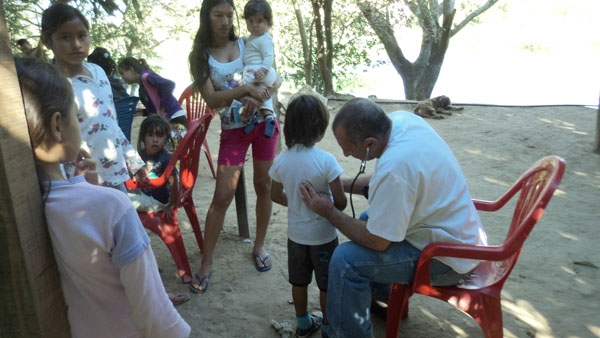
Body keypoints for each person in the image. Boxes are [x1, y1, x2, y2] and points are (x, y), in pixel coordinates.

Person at [14, 56, 191, 338]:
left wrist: (88, 186)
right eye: (77, 115)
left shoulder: (24, 207)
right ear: (58, 125)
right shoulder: (113, 207)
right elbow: (156, 317)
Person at [299, 98, 488, 338]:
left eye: (348, 148)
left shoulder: (396, 167)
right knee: (368, 218)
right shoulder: (402, 121)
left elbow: (378, 241)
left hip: (448, 261)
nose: (345, 153)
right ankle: (365, 298)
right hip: (453, 233)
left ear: (370, 144)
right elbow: (384, 182)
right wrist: (340, 185)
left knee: (345, 261)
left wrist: (328, 211)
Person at [187, 0, 278, 293]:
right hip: (233, 131)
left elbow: (273, 74)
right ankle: (206, 262)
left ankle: (260, 245)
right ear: (207, 16)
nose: (226, 21)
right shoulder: (200, 55)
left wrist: (256, 96)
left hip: (264, 124)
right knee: (222, 196)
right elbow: (212, 100)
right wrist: (244, 91)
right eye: (219, 15)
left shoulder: (248, 40)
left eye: (229, 15)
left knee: (263, 185)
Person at [41, 3, 148, 192]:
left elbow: (110, 123)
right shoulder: (53, 86)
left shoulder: (98, 72)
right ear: (48, 41)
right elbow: (53, 141)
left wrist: (133, 160)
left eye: (81, 35)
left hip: (114, 173)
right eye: (65, 37)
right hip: (82, 180)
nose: (76, 44)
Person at [269, 95, 347, 338]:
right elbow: (341, 203)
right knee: (326, 285)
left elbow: (274, 195)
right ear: (320, 130)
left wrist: (295, 202)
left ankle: (303, 325)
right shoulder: (327, 161)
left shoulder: (282, 160)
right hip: (324, 236)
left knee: (299, 282)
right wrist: (323, 205)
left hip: (296, 237)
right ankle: (326, 327)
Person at [118, 56, 188, 149]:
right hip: (168, 121)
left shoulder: (146, 77)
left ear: (131, 69)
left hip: (175, 119)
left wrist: (162, 108)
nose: (122, 77)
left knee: (173, 151)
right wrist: (144, 112)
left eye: (123, 73)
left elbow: (169, 84)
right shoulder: (142, 86)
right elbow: (155, 104)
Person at [128, 115, 178, 217]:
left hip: (157, 201)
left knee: (122, 200)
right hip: (145, 192)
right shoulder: (142, 154)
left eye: (160, 136)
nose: (155, 140)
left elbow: (174, 183)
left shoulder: (166, 159)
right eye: (150, 135)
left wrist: (172, 203)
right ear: (143, 137)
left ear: (166, 139)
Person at [240, 0, 277, 137]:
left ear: (268, 22)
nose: (254, 25)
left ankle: (250, 116)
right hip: (258, 71)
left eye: (259, 21)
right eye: (250, 21)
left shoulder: (265, 38)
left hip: (259, 71)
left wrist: (264, 70)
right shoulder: (254, 37)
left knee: (244, 88)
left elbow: (269, 56)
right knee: (261, 95)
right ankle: (267, 117)